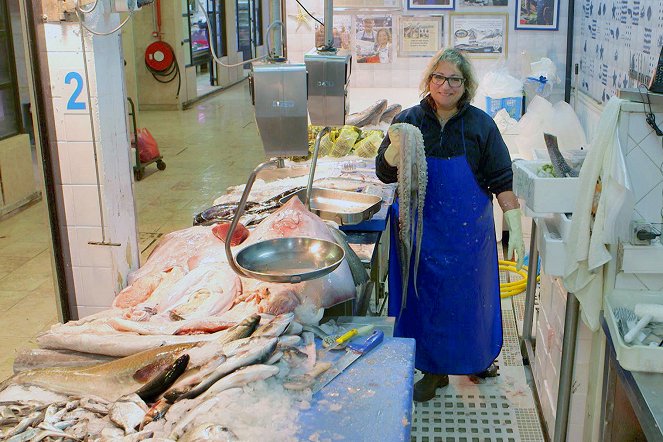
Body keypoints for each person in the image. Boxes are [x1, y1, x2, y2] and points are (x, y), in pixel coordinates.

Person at [375, 48, 525, 403]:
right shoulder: (408, 122)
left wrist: (515, 222)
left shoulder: (480, 125)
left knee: (473, 298)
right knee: (427, 301)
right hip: (421, 233)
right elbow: (383, 173)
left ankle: (476, 358)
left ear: (465, 86)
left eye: (455, 79)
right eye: (440, 77)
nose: (447, 85)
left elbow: (501, 178)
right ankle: (434, 369)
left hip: (468, 235)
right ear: (429, 81)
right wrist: (394, 149)